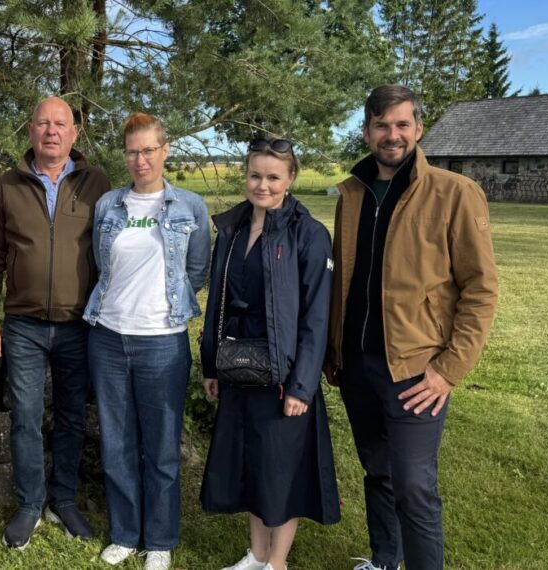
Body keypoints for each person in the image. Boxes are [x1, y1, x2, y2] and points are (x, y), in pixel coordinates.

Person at [325, 85, 498, 570]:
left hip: (416, 372)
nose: (392, 135)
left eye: (402, 124)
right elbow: (346, 277)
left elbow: (481, 290)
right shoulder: (353, 192)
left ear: (419, 129)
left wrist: (449, 369)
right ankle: (384, 561)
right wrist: (333, 351)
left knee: (414, 486)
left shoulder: (454, 193)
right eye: (381, 125)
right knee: (377, 472)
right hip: (358, 365)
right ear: (366, 131)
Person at [0, 96, 110, 549]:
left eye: (61, 124)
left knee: (72, 416)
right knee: (26, 418)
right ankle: (30, 504)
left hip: (79, 325)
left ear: (74, 134)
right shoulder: (7, 185)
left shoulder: (97, 184)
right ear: (30, 131)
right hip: (23, 326)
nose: (51, 131)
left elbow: (110, 253)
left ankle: (64, 500)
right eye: (42, 123)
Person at [199, 138, 340, 570]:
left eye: (273, 177)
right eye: (255, 175)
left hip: (284, 374)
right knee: (252, 467)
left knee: (281, 473)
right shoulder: (233, 229)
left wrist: (302, 384)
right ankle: (255, 556)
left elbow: (318, 315)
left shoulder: (309, 234)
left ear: (290, 179)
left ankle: (276, 563)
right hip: (240, 368)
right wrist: (211, 365)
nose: (263, 185)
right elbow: (218, 302)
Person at [84, 113, 210, 570]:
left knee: (161, 448)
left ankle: (160, 540)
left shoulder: (189, 207)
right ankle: (124, 533)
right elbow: (100, 268)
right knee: (116, 445)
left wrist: (167, 305)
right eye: (133, 151)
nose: (140, 160)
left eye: (148, 150)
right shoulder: (108, 207)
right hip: (110, 339)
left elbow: (197, 271)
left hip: (163, 343)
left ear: (165, 149)